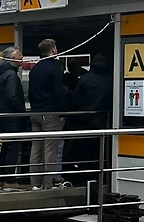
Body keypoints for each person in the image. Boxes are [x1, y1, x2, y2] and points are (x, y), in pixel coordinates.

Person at [64, 52, 112, 188]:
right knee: (100, 153)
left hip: (84, 122)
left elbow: (76, 101)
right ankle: (100, 178)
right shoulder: (112, 79)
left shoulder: (85, 79)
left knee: (84, 153)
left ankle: (84, 180)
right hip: (105, 122)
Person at [28, 38, 68, 187]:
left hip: (35, 112)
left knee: (36, 149)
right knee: (50, 150)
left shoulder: (35, 69)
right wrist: (62, 113)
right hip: (50, 113)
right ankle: (47, 185)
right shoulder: (54, 69)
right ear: (53, 50)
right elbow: (58, 94)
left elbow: (31, 93)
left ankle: (34, 183)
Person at [0, 47, 30, 184]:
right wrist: (22, 112)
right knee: (14, 148)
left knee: (6, 147)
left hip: (1, 115)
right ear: (12, 59)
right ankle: (9, 180)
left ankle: (0, 178)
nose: (22, 57)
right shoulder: (11, 75)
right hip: (12, 118)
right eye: (19, 55)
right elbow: (12, 97)